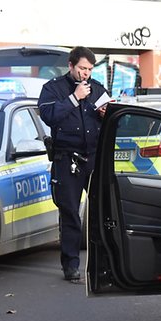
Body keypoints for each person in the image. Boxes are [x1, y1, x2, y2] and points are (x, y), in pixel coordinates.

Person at [38, 46, 108, 281]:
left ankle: (103, 264)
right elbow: (48, 116)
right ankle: (70, 265)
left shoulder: (97, 89)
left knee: (102, 212)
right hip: (67, 158)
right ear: (70, 65)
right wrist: (74, 98)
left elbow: (113, 117)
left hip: (94, 157)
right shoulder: (53, 89)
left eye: (89, 69)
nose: (86, 74)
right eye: (81, 68)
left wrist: (106, 113)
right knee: (69, 212)